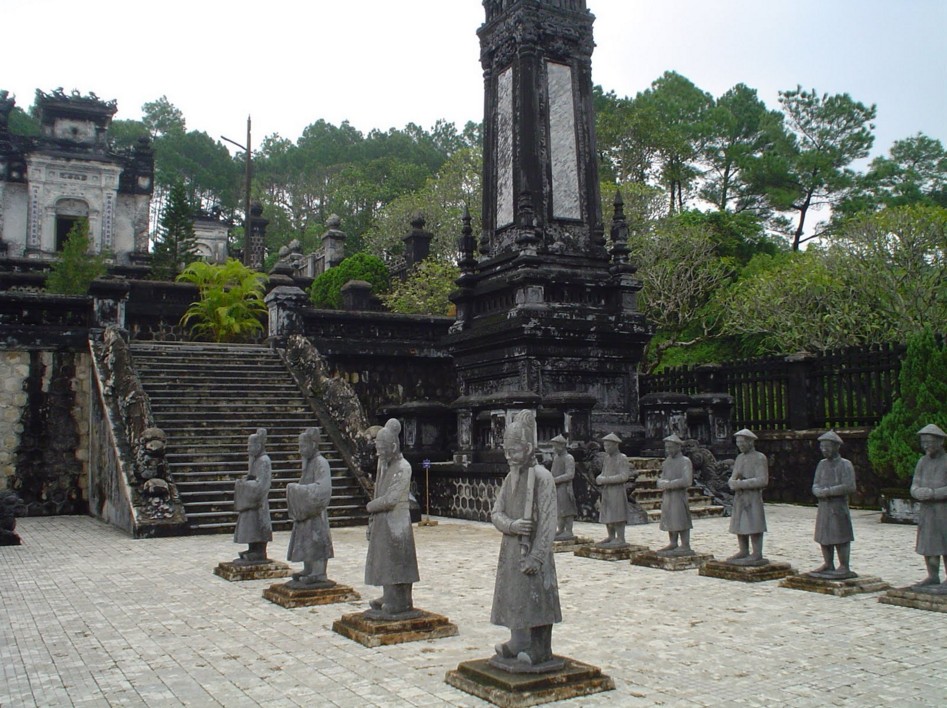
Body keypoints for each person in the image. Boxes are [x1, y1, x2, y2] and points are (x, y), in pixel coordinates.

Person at [491, 410, 561, 667]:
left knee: (537, 596)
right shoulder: (511, 477)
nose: (509, 457)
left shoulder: (542, 477)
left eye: (515, 451)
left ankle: (541, 646)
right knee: (514, 595)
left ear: (529, 448)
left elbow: (548, 522)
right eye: (506, 451)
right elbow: (496, 512)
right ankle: (518, 639)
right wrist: (512, 525)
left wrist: (537, 556)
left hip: (533, 550)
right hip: (512, 546)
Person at [364, 418, 420, 618]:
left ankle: (400, 600)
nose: (379, 454)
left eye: (383, 449)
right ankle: (389, 595)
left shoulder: (403, 467)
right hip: (383, 520)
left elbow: (391, 499)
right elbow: (380, 491)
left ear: (394, 446)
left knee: (398, 561)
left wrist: (371, 507)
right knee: (385, 559)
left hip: (397, 522)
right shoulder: (384, 464)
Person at [286, 427, 334, 586]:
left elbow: (323, 489)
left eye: (303, 446)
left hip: (315, 512)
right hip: (305, 510)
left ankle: (319, 572)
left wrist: (300, 491)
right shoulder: (307, 463)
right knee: (305, 538)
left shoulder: (321, 463)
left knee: (317, 539)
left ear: (313, 445)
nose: (300, 450)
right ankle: (308, 567)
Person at [808, 430, 856, 578]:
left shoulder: (845, 465)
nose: (824, 450)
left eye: (827, 446)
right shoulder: (821, 465)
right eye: (822, 447)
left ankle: (844, 565)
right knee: (824, 536)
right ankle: (828, 563)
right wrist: (817, 491)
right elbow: (815, 483)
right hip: (824, 506)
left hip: (838, 506)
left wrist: (829, 491)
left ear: (836, 447)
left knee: (840, 536)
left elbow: (849, 486)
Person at [910, 423, 947, 591]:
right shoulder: (922, 461)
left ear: (940, 442)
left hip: (943, 510)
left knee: (945, 543)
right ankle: (932, 576)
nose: (926, 446)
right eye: (923, 442)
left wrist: (933, 493)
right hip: (927, 511)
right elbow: (914, 484)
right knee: (928, 543)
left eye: (929, 442)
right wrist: (918, 492)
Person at [726, 429, 768, 564]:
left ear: (750, 442)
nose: (740, 445)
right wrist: (732, 482)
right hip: (740, 496)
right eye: (738, 443)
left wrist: (742, 483)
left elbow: (762, 480)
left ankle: (757, 552)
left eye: (742, 442)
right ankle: (743, 550)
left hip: (753, 496)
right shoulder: (739, 458)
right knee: (740, 523)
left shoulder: (759, 457)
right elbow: (734, 476)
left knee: (754, 523)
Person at [232, 428, 273, 564]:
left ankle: (260, 551)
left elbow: (262, 484)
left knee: (258, 525)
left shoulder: (264, 461)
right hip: (252, 500)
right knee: (250, 525)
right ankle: (252, 549)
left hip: (258, 501)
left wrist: (244, 485)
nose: (248, 448)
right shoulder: (255, 460)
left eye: (250, 445)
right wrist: (246, 480)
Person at [656, 434, 693, 556]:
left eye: (671, 447)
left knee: (680, 518)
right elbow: (662, 478)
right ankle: (673, 542)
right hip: (668, 495)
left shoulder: (685, 461)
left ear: (678, 447)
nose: (668, 450)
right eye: (666, 448)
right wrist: (661, 483)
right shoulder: (667, 462)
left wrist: (669, 484)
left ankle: (685, 544)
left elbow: (687, 480)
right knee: (669, 517)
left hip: (678, 495)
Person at [595, 433, 631, 547]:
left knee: (617, 513)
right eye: (605, 446)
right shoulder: (606, 458)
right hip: (607, 491)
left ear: (615, 445)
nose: (606, 448)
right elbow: (603, 473)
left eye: (609, 446)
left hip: (617, 490)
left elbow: (624, 476)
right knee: (607, 513)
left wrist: (606, 479)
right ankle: (611, 536)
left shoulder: (622, 458)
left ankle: (620, 537)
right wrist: (599, 478)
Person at [550, 434, 578, 541]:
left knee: (567, 509)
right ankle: (560, 529)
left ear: (562, 446)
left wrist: (555, 480)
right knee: (559, 509)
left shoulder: (568, 458)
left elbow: (570, 474)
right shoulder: (556, 457)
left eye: (555, 446)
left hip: (565, 487)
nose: (554, 449)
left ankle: (568, 530)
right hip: (557, 487)